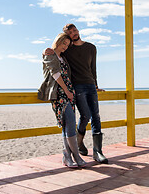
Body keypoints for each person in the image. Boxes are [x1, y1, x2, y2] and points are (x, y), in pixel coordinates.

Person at [45, 24, 108, 164]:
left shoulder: (91, 47)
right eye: (70, 33)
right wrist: (45, 51)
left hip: (90, 85)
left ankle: (98, 152)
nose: (73, 33)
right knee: (86, 115)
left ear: (78, 31)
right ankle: (79, 143)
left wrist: (95, 85)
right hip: (76, 87)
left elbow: (93, 68)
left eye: (74, 31)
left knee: (96, 116)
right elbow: (55, 55)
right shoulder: (68, 49)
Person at [38, 33, 86, 168]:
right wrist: (66, 91)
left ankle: (67, 156)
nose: (65, 46)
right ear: (58, 41)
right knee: (70, 123)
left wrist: (70, 92)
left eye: (67, 45)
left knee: (67, 125)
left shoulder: (64, 58)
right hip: (59, 93)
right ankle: (76, 155)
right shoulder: (50, 54)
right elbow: (55, 74)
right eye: (63, 43)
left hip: (69, 92)